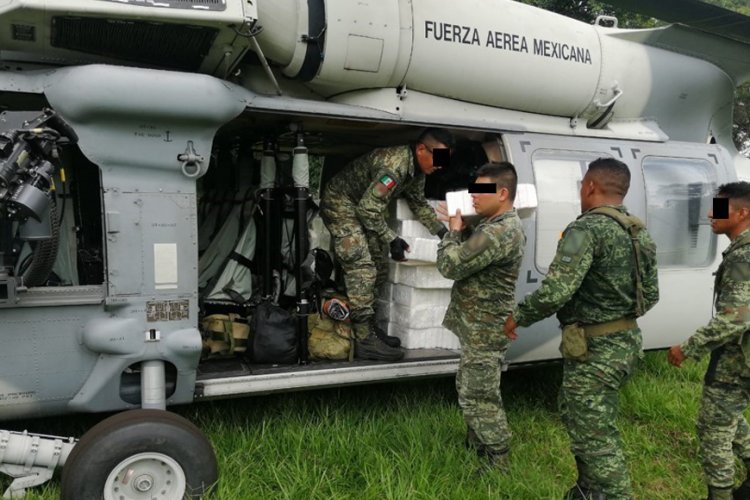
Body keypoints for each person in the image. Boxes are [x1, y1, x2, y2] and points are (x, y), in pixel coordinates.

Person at [505, 157, 659, 499]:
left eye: (581, 186)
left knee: (596, 436)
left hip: (597, 349)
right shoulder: (636, 230)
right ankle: (588, 491)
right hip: (625, 341)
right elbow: (650, 295)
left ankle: (613, 494)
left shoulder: (586, 229)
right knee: (580, 416)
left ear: (590, 186)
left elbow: (556, 291)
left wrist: (518, 316)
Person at [320, 128, 453, 361]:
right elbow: (367, 209)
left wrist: (443, 232)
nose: (441, 165)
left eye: (446, 160)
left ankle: (368, 327)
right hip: (340, 203)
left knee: (379, 265)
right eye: (438, 158)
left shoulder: (417, 172)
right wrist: (392, 238)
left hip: (361, 208)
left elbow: (418, 203)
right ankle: (363, 339)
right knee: (362, 268)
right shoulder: (395, 166)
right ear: (421, 149)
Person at [436, 162, 525, 470]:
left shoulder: (497, 233)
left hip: (485, 327)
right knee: (471, 385)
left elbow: (451, 265)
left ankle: (497, 459)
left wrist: (452, 233)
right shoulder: (497, 226)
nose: (473, 195)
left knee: (479, 394)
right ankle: (477, 443)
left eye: (480, 190)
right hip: (482, 325)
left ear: (502, 193)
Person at [668, 182, 750, 500]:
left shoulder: (744, 255)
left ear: (742, 213)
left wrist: (688, 348)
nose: (709, 214)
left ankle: (720, 495)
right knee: (727, 417)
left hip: (737, 361)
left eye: (718, 209)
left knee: (713, 428)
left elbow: (736, 318)